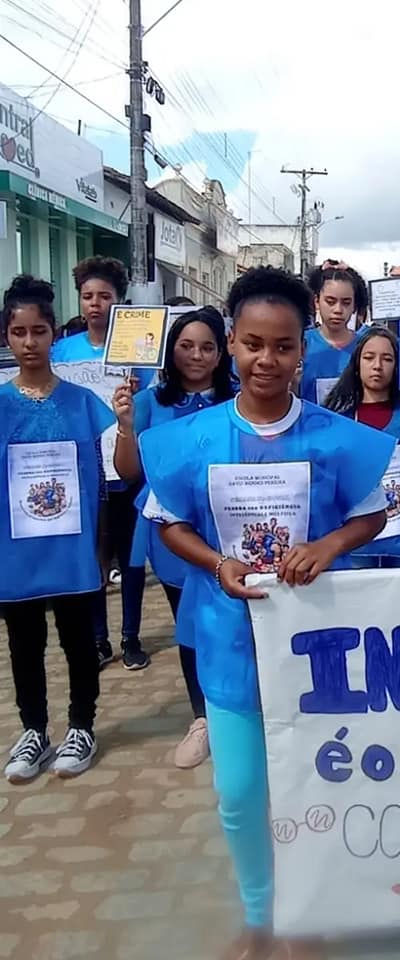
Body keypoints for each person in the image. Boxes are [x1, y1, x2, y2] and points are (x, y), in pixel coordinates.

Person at [137, 266, 395, 960]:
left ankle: (305, 913)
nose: (266, 361)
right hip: (229, 641)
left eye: (282, 346)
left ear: (303, 348)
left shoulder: (334, 437)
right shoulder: (194, 438)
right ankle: (260, 914)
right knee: (242, 793)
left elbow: (375, 512)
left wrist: (330, 543)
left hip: (315, 646)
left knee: (310, 791)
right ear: (229, 344)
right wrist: (213, 563)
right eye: (252, 344)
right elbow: (167, 522)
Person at [1, 276, 114, 782]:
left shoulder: (83, 402)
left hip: (71, 543)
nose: (30, 343)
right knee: (23, 642)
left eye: (39, 331)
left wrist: (101, 541)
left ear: (52, 334)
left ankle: (81, 726)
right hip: (15, 549)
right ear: (7, 337)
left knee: (76, 639)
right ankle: (32, 729)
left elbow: (101, 473)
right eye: (19, 333)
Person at [112, 307, 235, 768]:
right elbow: (128, 473)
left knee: (234, 620)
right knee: (190, 623)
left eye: (207, 346)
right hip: (172, 535)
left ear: (222, 352)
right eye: (186, 346)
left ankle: (242, 712)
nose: (197, 355)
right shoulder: (149, 402)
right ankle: (202, 718)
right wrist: (125, 423)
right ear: (170, 350)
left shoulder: (236, 399)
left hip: (228, 528)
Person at [54, 256, 152, 671]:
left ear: (119, 301)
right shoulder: (62, 350)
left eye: (104, 296)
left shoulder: (138, 345)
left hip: (127, 465)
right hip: (83, 469)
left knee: (130, 558)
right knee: (93, 557)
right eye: (87, 296)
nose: (95, 304)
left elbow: (148, 403)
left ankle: (131, 637)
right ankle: (98, 638)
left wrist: (136, 388)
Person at [325, 326, 400, 568]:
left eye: (387, 358)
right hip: (357, 543)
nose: (377, 365)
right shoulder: (340, 419)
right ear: (357, 365)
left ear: (397, 367)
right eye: (369, 358)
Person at [302, 264, 359, 405]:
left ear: (354, 306)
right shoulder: (300, 344)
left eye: (346, 302)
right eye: (330, 302)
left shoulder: (366, 347)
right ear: (317, 302)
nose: (338, 310)